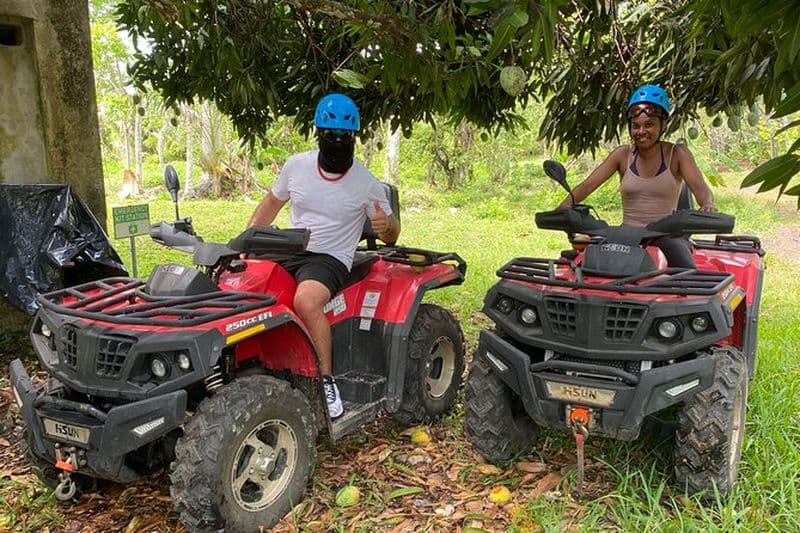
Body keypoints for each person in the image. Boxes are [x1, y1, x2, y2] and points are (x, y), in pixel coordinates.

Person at [247, 93, 401, 418]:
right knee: (247, 284)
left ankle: (326, 382)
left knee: (306, 301)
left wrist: (386, 226)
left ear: (354, 137)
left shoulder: (366, 182)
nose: (337, 141)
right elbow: (271, 204)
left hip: (330, 256)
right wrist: (247, 239)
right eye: (330, 135)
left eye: (345, 136)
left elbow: (392, 233)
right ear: (318, 134)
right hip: (291, 246)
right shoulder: (296, 167)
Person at [558, 84, 717, 268]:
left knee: (687, 279)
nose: (641, 132)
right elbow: (587, 186)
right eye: (636, 126)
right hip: (626, 237)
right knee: (587, 271)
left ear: (663, 124)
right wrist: (563, 207)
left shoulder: (677, 154)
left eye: (649, 125)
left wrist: (707, 204)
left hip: (666, 236)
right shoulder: (622, 155)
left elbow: (700, 188)